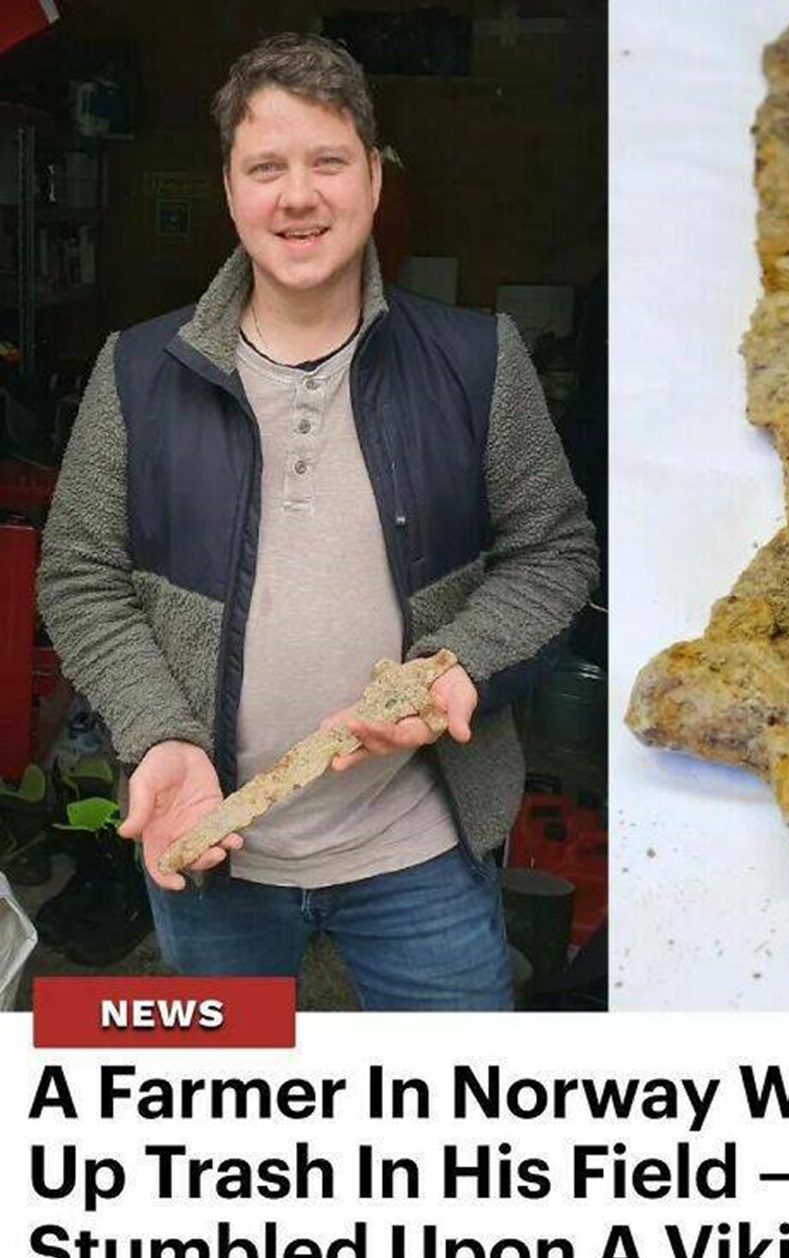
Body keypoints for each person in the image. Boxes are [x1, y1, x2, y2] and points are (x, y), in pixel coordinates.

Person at [37, 33, 598, 1010]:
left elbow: (555, 554)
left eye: (328, 162)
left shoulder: (479, 361)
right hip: (213, 848)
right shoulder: (137, 370)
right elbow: (78, 572)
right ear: (230, 190)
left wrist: (463, 658)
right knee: (236, 1130)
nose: (298, 196)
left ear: (374, 182)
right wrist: (157, 733)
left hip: (420, 851)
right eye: (267, 167)